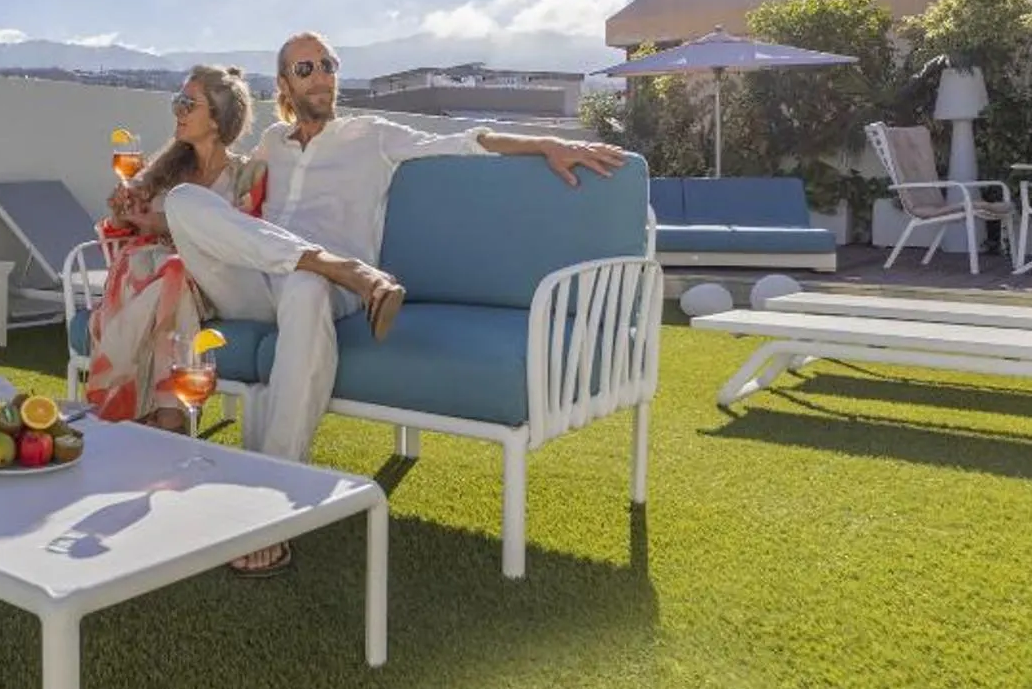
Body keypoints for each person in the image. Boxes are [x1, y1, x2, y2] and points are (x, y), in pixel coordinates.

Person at [162, 31, 628, 574]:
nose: (321, 76)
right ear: (285, 84)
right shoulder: (272, 142)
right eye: (305, 68)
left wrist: (546, 143)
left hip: (322, 294)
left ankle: (270, 498)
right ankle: (342, 267)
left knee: (307, 286)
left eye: (328, 64)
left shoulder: (372, 135)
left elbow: (465, 141)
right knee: (183, 200)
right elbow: (227, 183)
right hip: (259, 281)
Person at [87, 65, 268, 432]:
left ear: (217, 119)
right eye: (176, 102)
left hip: (214, 279)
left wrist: (164, 225)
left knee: (173, 269)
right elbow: (122, 234)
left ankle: (117, 410)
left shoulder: (247, 176)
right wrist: (124, 216)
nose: (177, 111)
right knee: (166, 270)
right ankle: (169, 415)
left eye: (188, 104)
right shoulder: (163, 172)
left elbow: (241, 238)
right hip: (155, 276)